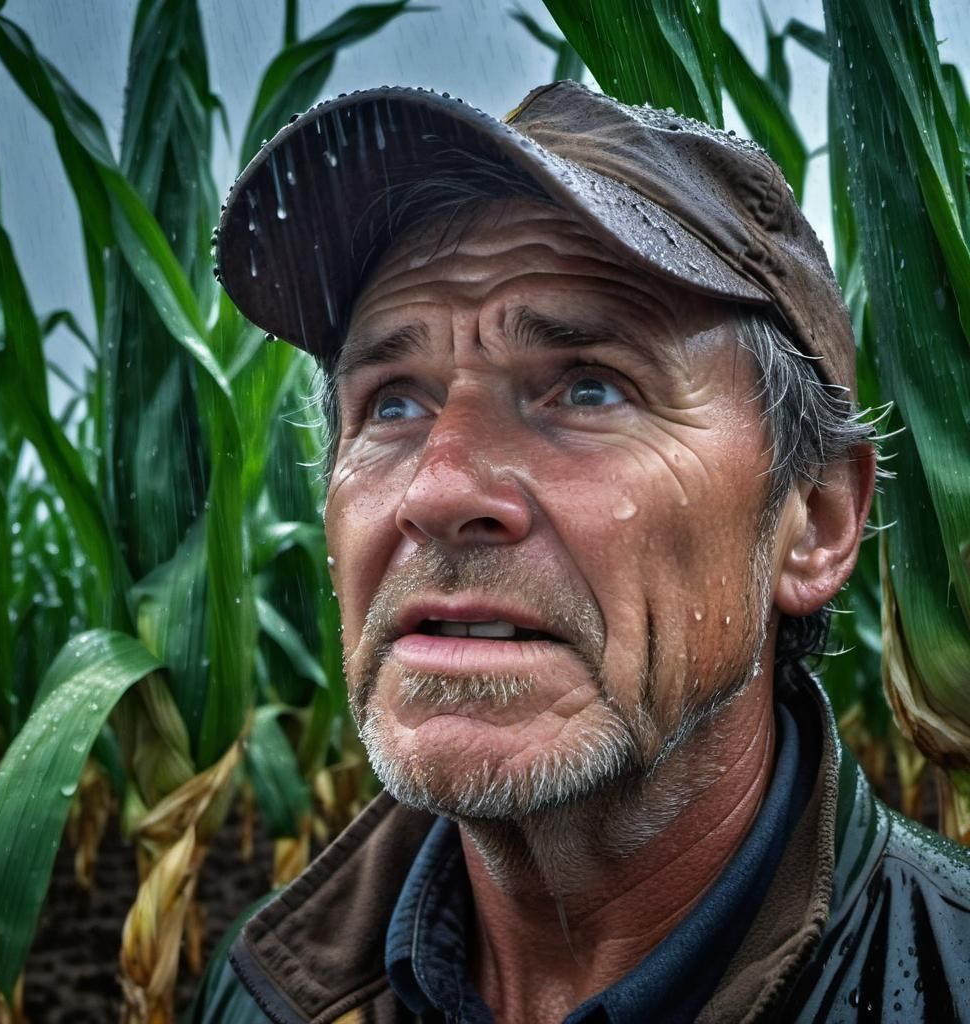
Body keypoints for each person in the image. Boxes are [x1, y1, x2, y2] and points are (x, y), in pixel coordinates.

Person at [195, 81, 970, 1023]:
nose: (437, 493)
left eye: (589, 389)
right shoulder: (257, 992)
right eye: (393, 403)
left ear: (814, 519)